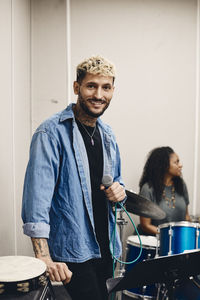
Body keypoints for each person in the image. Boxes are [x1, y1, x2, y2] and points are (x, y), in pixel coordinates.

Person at [21, 55, 126, 300]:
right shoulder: (50, 133)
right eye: (91, 86)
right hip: (73, 251)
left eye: (106, 87)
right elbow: (36, 202)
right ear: (76, 87)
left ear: (112, 91)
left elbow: (117, 182)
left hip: (106, 248)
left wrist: (119, 190)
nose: (99, 94)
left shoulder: (108, 134)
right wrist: (44, 258)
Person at [137, 146, 190, 236]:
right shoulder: (148, 189)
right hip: (155, 243)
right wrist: (170, 235)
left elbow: (186, 217)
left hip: (177, 242)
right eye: (176, 162)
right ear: (164, 165)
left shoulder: (181, 185)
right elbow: (146, 225)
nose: (180, 165)